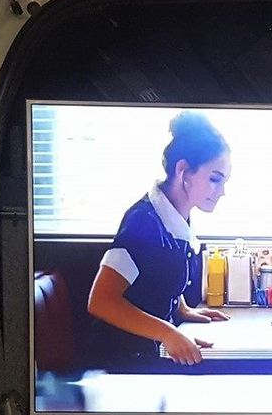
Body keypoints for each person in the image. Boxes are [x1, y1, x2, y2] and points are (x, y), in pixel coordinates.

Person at [87, 111, 231, 366]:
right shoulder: (143, 222)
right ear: (183, 171)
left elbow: (158, 274)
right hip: (121, 361)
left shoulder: (177, 215)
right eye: (214, 179)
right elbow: (100, 301)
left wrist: (182, 310)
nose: (222, 192)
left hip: (148, 351)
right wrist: (169, 333)